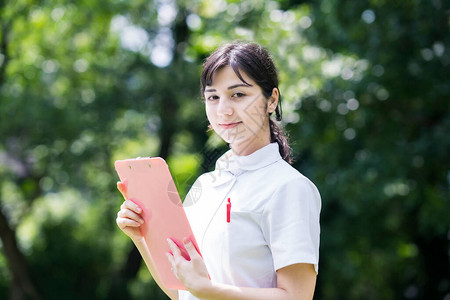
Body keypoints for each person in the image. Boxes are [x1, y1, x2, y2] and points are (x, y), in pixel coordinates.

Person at [116, 41, 321, 300]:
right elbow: (180, 292)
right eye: (213, 97)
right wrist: (140, 236)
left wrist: (209, 290)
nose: (223, 109)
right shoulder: (206, 184)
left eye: (238, 94)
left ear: (271, 100)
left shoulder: (290, 188)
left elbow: (297, 296)